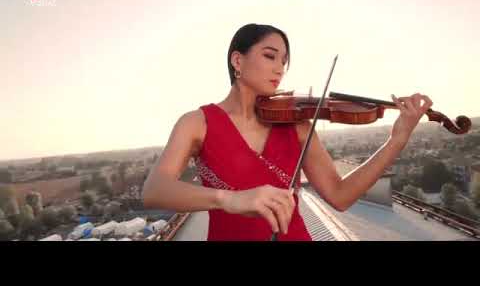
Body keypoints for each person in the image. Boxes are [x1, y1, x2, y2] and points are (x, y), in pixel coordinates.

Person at [142, 23, 433, 241]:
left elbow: (340, 196)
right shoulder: (197, 123)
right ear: (237, 61)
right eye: (270, 56)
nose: (280, 68)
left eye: (284, 61)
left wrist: (397, 140)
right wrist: (229, 199)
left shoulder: (297, 125)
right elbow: (154, 191)